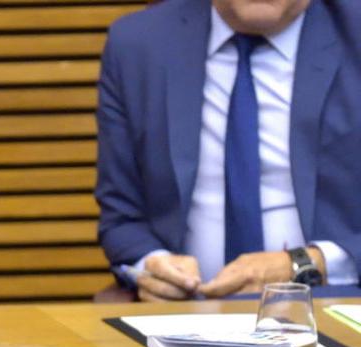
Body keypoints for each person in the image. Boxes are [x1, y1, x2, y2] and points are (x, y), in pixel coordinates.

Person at [94, 0, 361, 301]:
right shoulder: (138, 44)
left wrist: (307, 264)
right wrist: (150, 263)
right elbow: (122, 218)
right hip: (186, 318)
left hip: (334, 311)